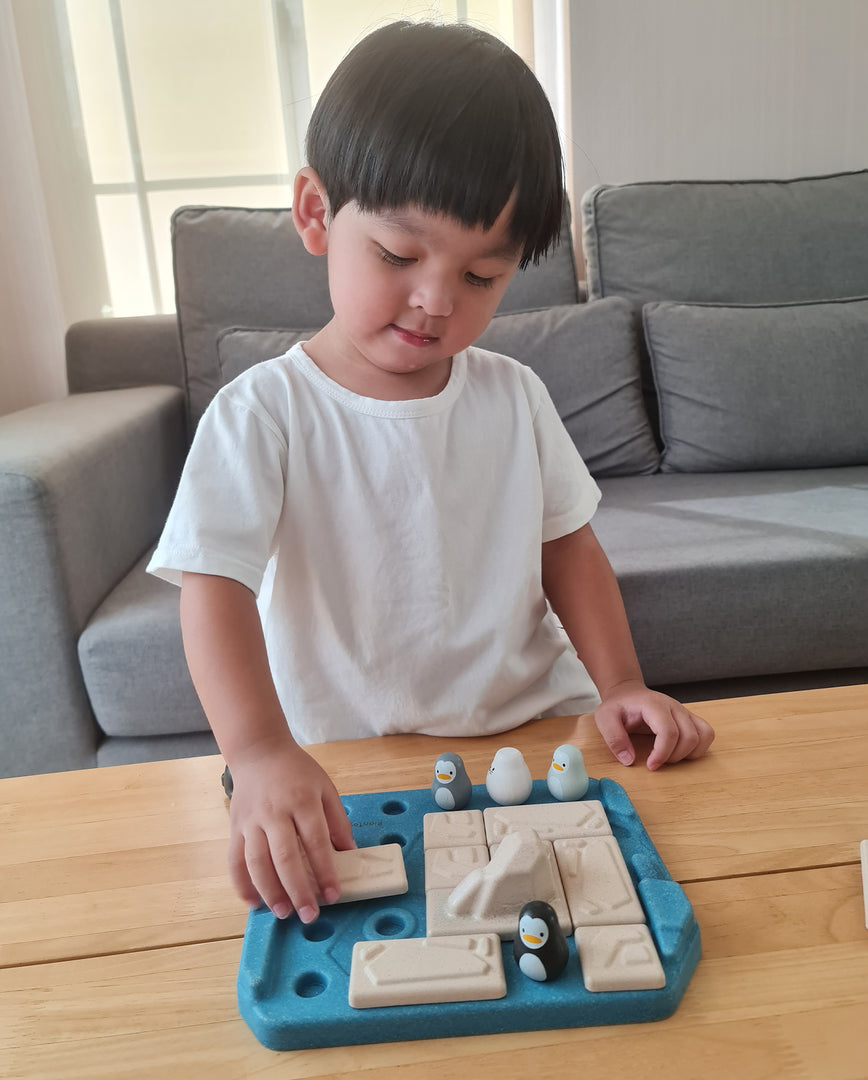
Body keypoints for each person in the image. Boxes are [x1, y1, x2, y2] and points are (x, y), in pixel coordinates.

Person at [148, 20, 714, 926]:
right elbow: (211, 587)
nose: (436, 301)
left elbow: (571, 550)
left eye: (483, 275)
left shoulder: (514, 395)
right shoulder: (262, 413)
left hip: (532, 737)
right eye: (400, 256)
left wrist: (620, 686)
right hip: (345, 766)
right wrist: (256, 752)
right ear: (316, 213)